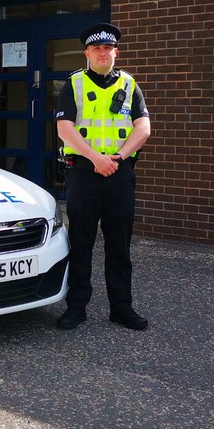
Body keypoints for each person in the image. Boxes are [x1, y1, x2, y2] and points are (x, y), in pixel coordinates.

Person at [54, 23, 152, 331]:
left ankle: (121, 307)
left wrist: (118, 158)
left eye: (107, 48)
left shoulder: (129, 84)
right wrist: (96, 158)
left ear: (115, 52)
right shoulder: (74, 84)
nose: (102, 53)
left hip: (119, 174)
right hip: (84, 173)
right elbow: (64, 128)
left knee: (119, 245)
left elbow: (143, 128)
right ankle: (77, 306)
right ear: (87, 53)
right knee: (81, 243)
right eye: (96, 48)